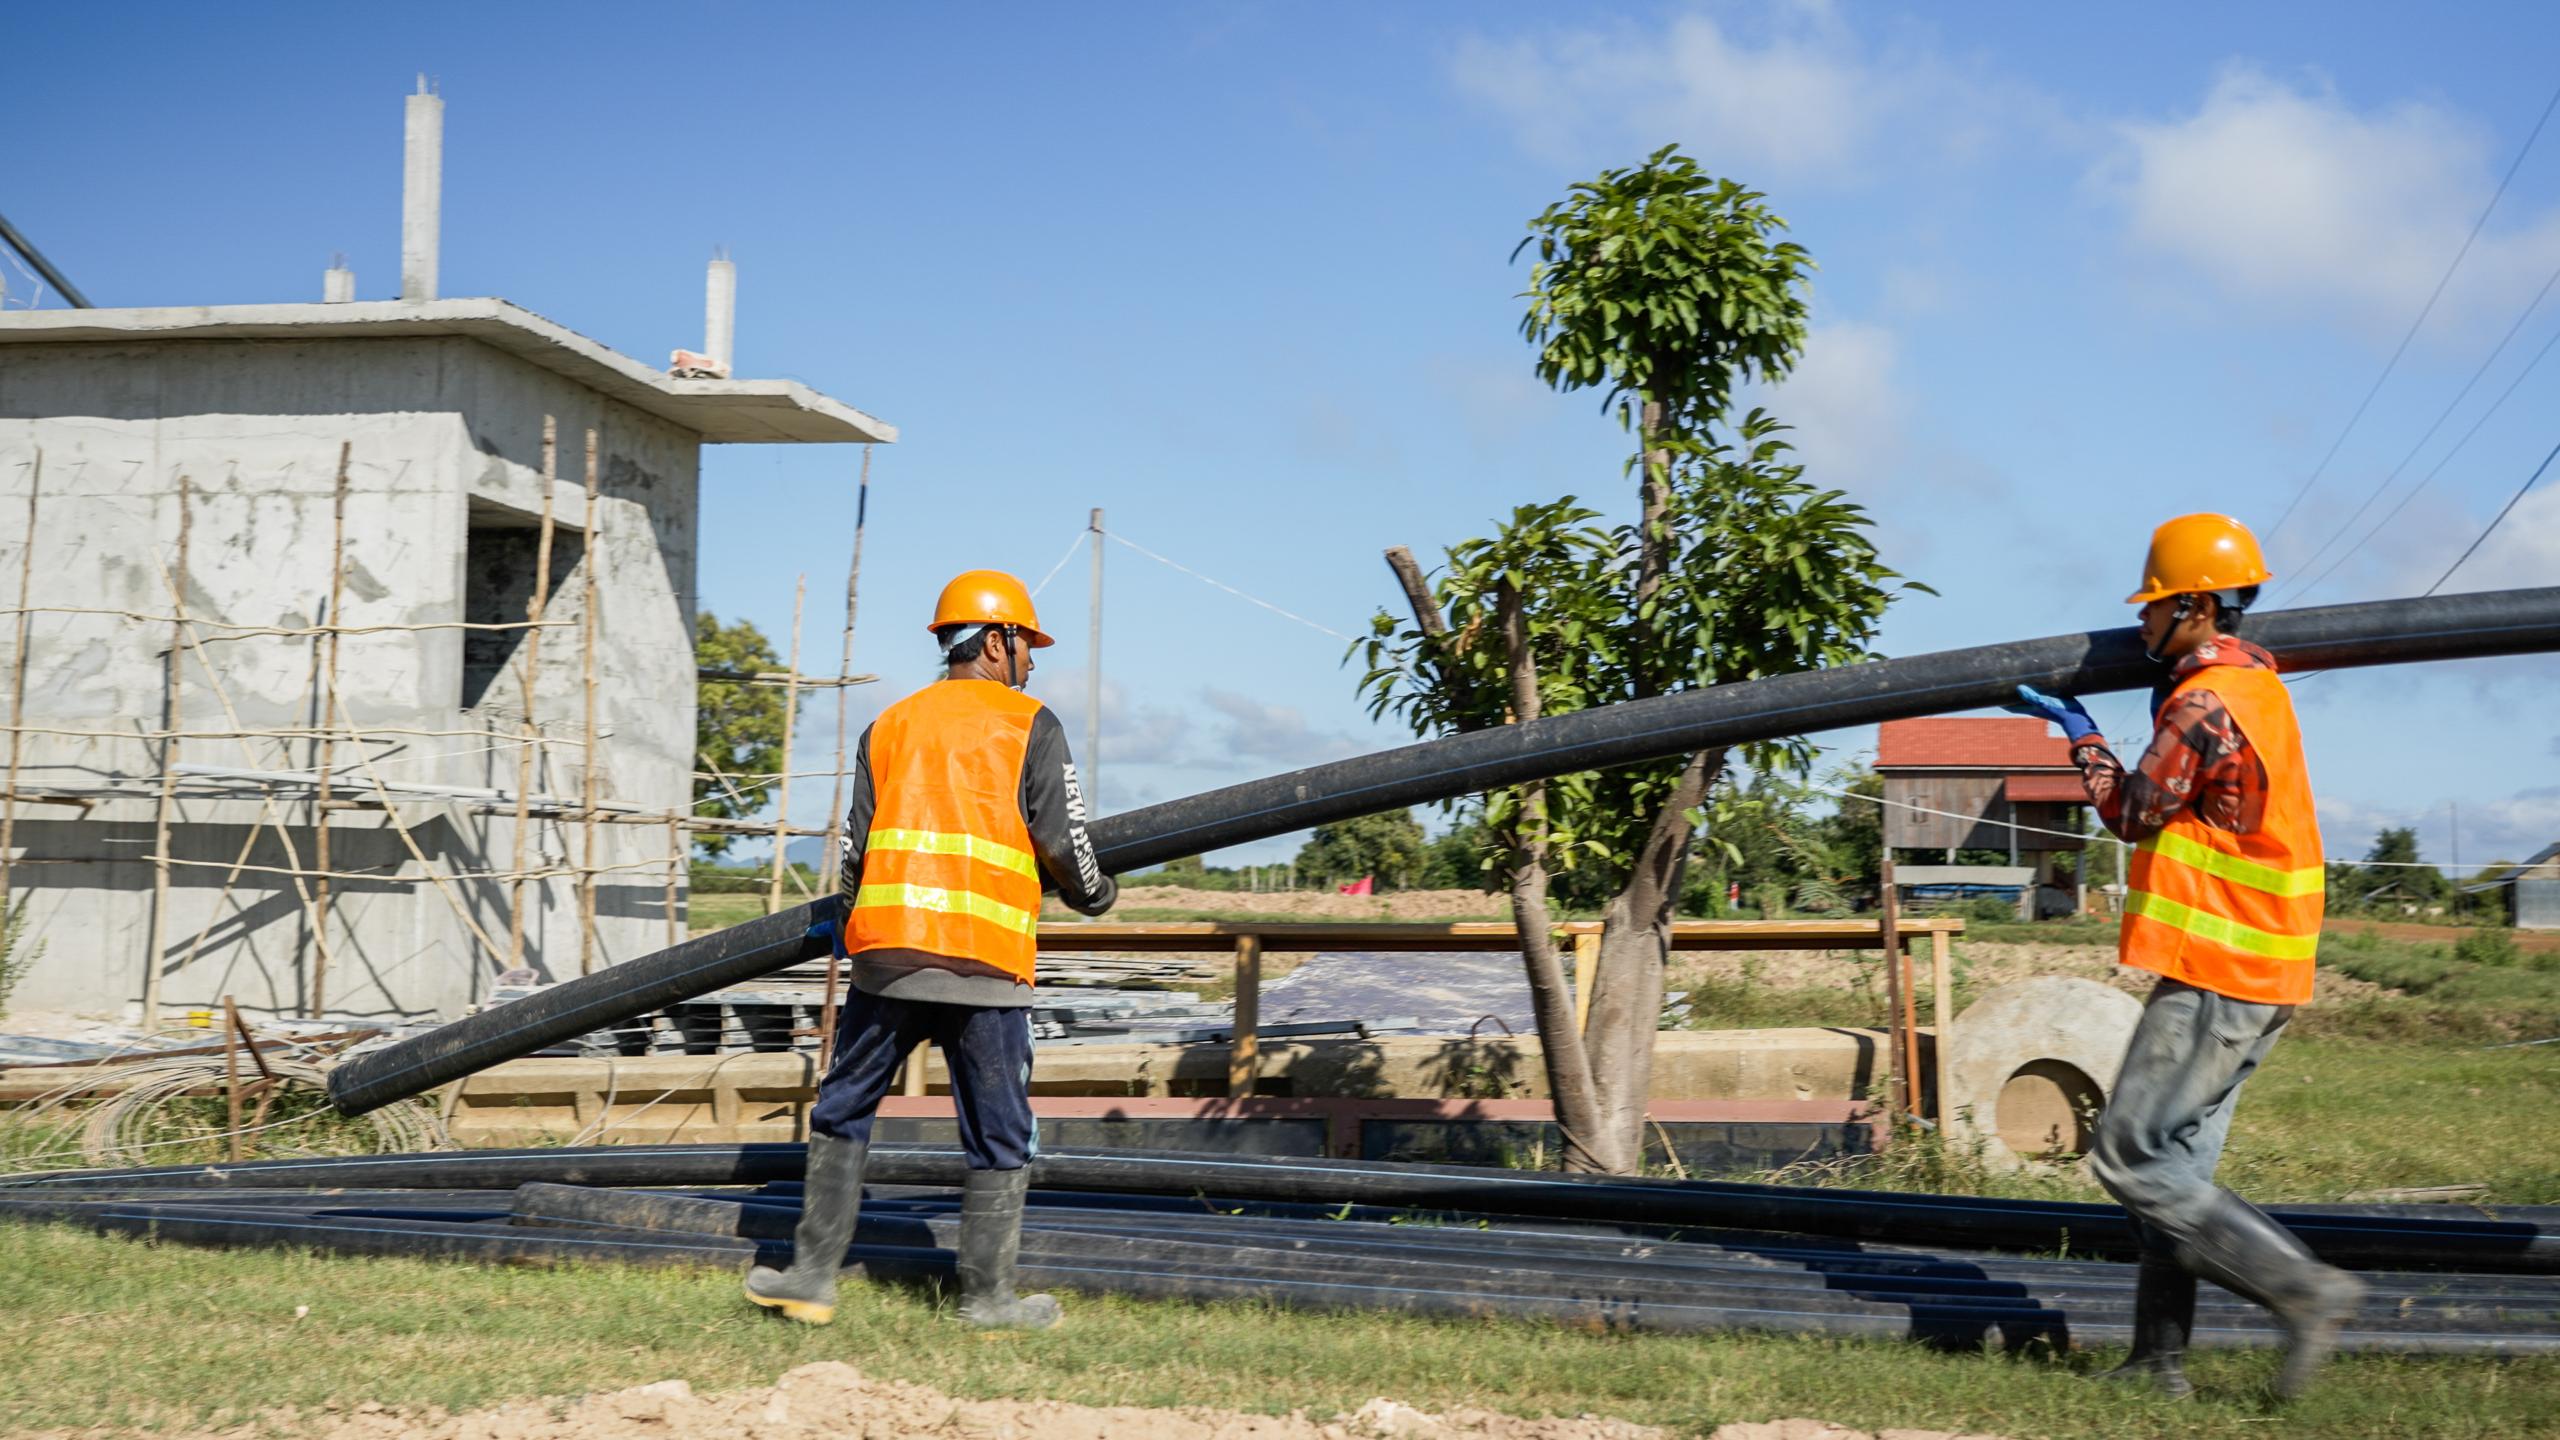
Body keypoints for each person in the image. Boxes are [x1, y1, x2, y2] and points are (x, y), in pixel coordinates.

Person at [2008, 513, 2360, 1401]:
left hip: (2218, 967)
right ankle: (2158, 1366)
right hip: (2263, 972)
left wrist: (2079, 731)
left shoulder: (2204, 704)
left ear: (2198, 607)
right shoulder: (2264, 692)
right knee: (2176, 1172)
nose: (2142, 629)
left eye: (2155, 610)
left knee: (2129, 1157)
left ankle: (2306, 1293)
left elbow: (2133, 810)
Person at [744, 568, 1116, 1330]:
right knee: (999, 1129)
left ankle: (812, 1277)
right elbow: (1063, 839)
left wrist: (859, 934)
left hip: (888, 960)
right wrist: (1095, 893)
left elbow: (853, 853)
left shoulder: (889, 725)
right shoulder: (1031, 724)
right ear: (997, 641)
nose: (1035, 663)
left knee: (844, 1110)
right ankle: (987, 1299)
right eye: (1029, 645)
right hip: (986, 966)